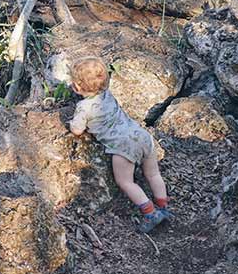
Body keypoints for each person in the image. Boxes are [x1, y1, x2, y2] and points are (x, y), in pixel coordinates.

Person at [68, 56, 172, 233]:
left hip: (123, 145)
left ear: (77, 87)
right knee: (153, 174)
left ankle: (151, 213)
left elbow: (77, 130)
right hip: (142, 136)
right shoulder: (107, 95)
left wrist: (71, 124)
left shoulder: (84, 107)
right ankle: (163, 206)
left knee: (125, 181)